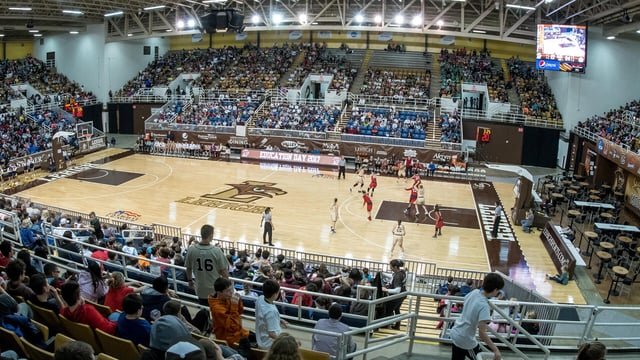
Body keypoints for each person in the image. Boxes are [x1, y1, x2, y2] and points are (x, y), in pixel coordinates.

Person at [449, 272, 505, 360]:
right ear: (495, 290)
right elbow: (482, 334)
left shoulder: (474, 292)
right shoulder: (484, 306)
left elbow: (472, 306)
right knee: (479, 356)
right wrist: (496, 350)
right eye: (498, 290)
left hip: (456, 332)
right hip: (465, 339)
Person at [185, 224, 230, 305]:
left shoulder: (191, 249)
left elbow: (188, 268)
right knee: (215, 312)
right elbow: (225, 273)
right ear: (211, 235)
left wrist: (190, 280)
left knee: (204, 310)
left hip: (200, 288)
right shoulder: (216, 251)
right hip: (214, 290)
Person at [208, 277, 253, 346]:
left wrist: (238, 301)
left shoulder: (227, 298)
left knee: (257, 336)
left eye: (231, 290)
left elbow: (240, 312)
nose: (231, 293)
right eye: (228, 291)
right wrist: (234, 306)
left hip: (239, 332)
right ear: (219, 292)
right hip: (229, 338)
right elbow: (232, 327)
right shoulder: (216, 308)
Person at [255, 279, 289, 349]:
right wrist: (283, 342)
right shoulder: (271, 311)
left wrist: (278, 319)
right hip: (269, 345)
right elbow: (272, 334)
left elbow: (264, 318)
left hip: (261, 339)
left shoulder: (260, 299)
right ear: (275, 294)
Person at [382, 259, 407, 330]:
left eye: (391, 267)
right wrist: (383, 274)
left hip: (398, 296)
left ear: (395, 267)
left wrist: (386, 290)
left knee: (389, 310)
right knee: (396, 309)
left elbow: (397, 290)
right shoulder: (401, 272)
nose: (390, 268)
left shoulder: (397, 276)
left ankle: (387, 325)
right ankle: (397, 325)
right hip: (402, 295)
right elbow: (392, 277)